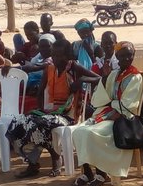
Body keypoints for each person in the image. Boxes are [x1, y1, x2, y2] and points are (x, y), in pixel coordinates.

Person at [6, 40, 92, 178]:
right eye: (55, 56)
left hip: (68, 114)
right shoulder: (50, 69)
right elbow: (40, 93)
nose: (57, 59)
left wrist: (81, 81)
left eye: (61, 56)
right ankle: (32, 163)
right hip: (50, 112)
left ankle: (55, 156)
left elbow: (98, 78)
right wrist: (40, 110)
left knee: (40, 124)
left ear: (68, 55)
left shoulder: (74, 67)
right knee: (17, 123)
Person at [71, 42, 143, 186]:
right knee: (78, 131)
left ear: (133, 56)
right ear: (116, 57)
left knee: (92, 133)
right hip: (107, 113)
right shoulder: (114, 74)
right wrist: (105, 78)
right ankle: (87, 172)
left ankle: (101, 173)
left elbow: (128, 105)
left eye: (129, 56)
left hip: (123, 118)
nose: (126, 59)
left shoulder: (135, 77)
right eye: (122, 56)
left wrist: (112, 107)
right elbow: (100, 98)